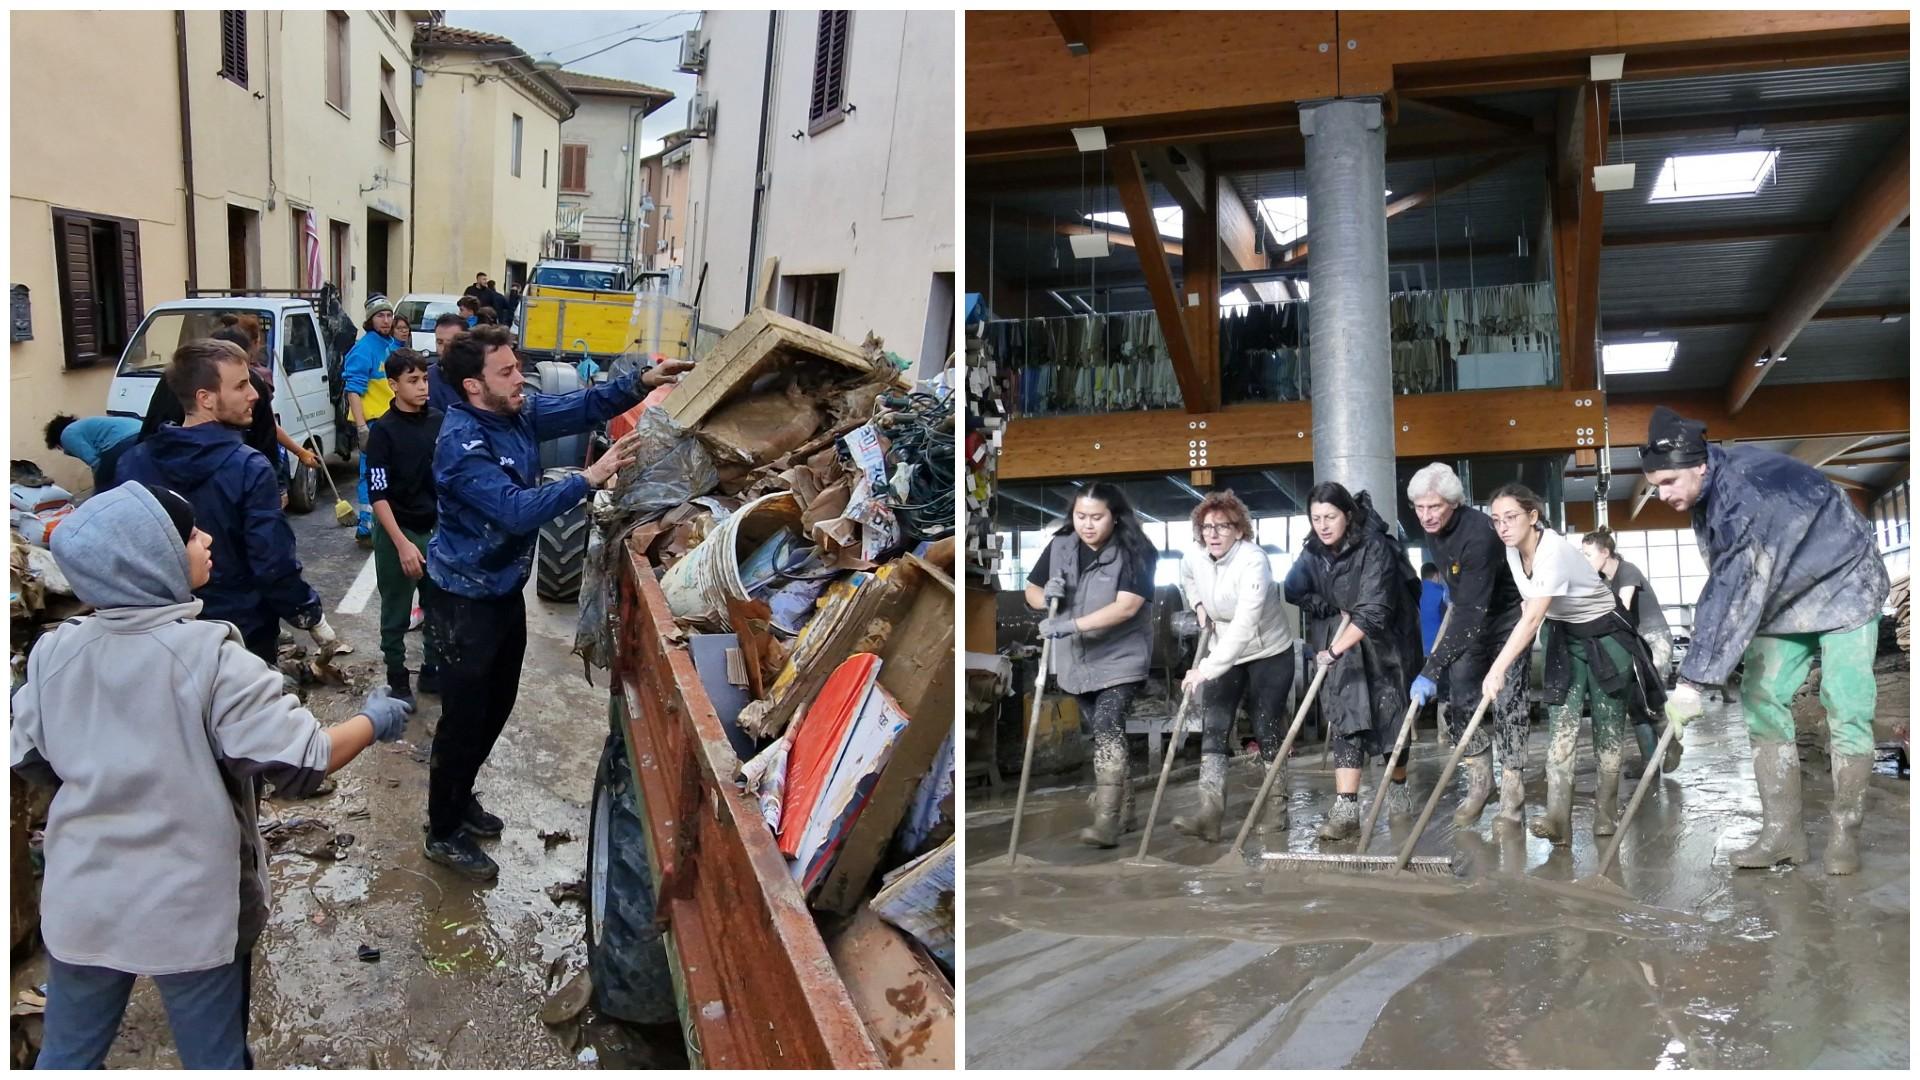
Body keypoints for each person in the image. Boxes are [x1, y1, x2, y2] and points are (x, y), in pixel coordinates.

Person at [9, 482, 413, 1069]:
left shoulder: (54, 652)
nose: (205, 539)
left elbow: (32, 761)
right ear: (150, 559)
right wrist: (372, 721)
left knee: (69, 1056)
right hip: (189, 910)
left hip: (83, 900)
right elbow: (301, 762)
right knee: (214, 1059)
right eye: (189, 534)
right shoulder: (213, 658)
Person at [424, 326, 692, 878]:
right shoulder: (461, 445)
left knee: (495, 708)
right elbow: (518, 510)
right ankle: (442, 830)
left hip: (501, 592)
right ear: (474, 386)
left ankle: (461, 796)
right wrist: (589, 478)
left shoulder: (515, 412)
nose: (520, 376)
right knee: (462, 720)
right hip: (463, 601)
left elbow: (580, 403)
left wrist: (641, 381)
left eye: (517, 365)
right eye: (506, 371)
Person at [1641, 406, 1888, 875]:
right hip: (1786, 591)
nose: (1662, 494)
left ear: (1699, 465)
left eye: (1669, 482)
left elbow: (1733, 587)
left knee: (1847, 704)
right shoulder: (1709, 491)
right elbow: (1728, 579)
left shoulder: (1745, 496)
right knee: (1759, 694)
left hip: (1846, 584)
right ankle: (1783, 835)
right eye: (1656, 486)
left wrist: (1692, 681)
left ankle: (1845, 831)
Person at [114, 339, 336, 667]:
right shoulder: (248, 467)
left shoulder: (132, 462)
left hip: (161, 636)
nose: (254, 395)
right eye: (241, 386)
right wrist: (309, 613)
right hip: (238, 636)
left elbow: (122, 558)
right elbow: (272, 562)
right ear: (205, 398)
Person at [1479, 484, 1665, 845]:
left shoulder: (1554, 551)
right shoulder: (1513, 553)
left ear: (1533, 517)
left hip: (1606, 637)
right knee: (1560, 728)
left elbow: (1532, 619)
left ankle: (1605, 816)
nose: (1502, 527)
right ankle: (1557, 818)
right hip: (1563, 636)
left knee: (1607, 728)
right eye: (1496, 520)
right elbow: (1529, 606)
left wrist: (1497, 667)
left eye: (1511, 517)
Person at [1282, 483, 1424, 841]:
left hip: (1387, 642)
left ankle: (1398, 787)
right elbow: (1293, 589)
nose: (1323, 526)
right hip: (1342, 638)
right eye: (1316, 518)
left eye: (1330, 517)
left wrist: (1332, 650)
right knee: (1347, 715)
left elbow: (1375, 611)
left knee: (1391, 716)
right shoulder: (1312, 551)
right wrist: (1328, 606)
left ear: (1347, 514)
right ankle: (1346, 809)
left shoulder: (1375, 548)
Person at [1024, 483, 1159, 848]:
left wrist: (1069, 626)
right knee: (1103, 735)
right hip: (1075, 664)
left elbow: (1127, 606)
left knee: (1108, 726)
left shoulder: (1137, 551)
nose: (1087, 525)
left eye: (1096, 517)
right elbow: (1031, 589)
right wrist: (1044, 597)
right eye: (1080, 516)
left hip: (1121, 658)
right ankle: (1126, 808)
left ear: (1115, 517)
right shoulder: (1061, 545)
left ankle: (1107, 821)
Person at [1407, 462, 1533, 829]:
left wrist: (1431, 667)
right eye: (1419, 507)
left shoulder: (1479, 533)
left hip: (1507, 618)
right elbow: (1463, 600)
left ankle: (1513, 792)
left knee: (1510, 700)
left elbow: (1472, 612)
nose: (1427, 516)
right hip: (1470, 613)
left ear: (1455, 504)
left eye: (1435, 507)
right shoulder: (1435, 531)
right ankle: (1482, 781)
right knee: (1459, 699)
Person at [1173, 490, 1296, 840]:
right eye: (1206, 527)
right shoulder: (1195, 554)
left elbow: (1244, 625)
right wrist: (1199, 606)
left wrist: (1206, 669)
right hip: (1222, 649)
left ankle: (1277, 808)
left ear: (1239, 530)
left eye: (1222, 526)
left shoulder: (1254, 561)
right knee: (1214, 724)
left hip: (1268, 651)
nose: (1212, 533)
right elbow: (1188, 576)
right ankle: (1209, 813)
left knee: (1265, 724)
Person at [366, 350, 444, 707]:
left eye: (425, 378)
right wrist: (401, 544)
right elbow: (378, 494)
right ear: (393, 385)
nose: (422, 386)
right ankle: (397, 677)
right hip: (398, 531)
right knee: (395, 611)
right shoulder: (383, 431)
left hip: (436, 530)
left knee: (438, 607)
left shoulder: (440, 422)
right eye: (413, 380)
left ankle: (432, 671)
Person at [1582, 528, 1680, 779]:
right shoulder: (1604, 581)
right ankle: (1649, 766)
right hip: (1633, 643)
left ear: (1605, 552)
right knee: (1634, 705)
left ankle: (1672, 746)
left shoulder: (1627, 570)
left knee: (1651, 700)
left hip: (1654, 639)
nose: (1586, 560)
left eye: (1588, 554)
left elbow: (1623, 608)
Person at [343, 296, 403, 544]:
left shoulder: (391, 345)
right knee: (371, 475)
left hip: (391, 422)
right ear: (370, 319)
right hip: (374, 424)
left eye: (389, 315)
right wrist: (361, 428)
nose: (386, 320)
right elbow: (353, 390)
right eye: (380, 316)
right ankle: (366, 530)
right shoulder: (364, 349)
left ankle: (380, 524)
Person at [42, 413, 140, 491]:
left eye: (60, 448)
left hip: (121, 440)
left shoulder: (67, 434)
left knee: (104, 487)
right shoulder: (83, 426)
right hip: (141, 431)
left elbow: (95, 463)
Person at [425, 312, 467, 412]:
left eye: (451, 342)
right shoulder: (425, 378)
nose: (444, 348)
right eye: (440, 342)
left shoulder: (480, 377)